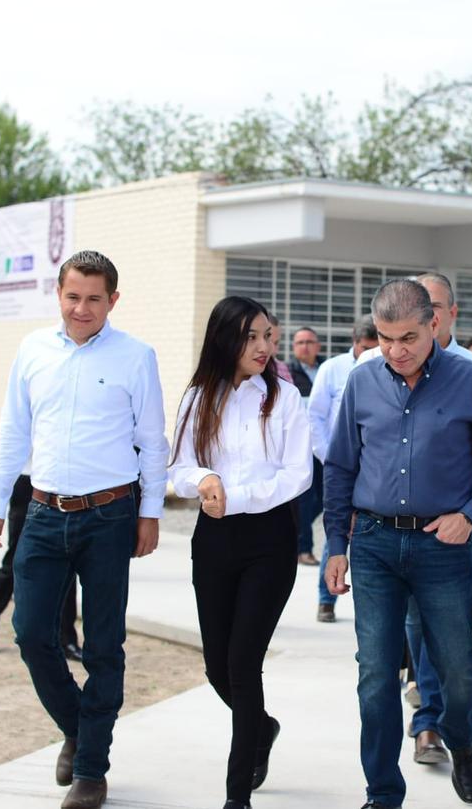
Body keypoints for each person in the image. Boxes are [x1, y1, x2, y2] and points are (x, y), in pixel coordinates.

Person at [324, 278, 472, 809]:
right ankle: (383, 792)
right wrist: (336, 545)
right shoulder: (362, 382)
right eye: (386, 338)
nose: (396, 351)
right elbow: (340, 466)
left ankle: (459, 735)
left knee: (457, 665)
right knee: (375, 674)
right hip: (373, 544)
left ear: (434, 323)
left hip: (443, 546)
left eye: (408, 337)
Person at [0, 250, 168, 809]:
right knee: (30, 633)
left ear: (113, 300)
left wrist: (150, 513)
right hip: (42, 513)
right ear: (58, 295)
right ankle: (79, 728)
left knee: (103, 646)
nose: (81, 308)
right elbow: (13, 429)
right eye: (72, 296)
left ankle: (91, 770)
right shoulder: (32, 350)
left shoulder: (136, 356)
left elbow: (152, 441)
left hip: (110, 516)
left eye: (93, 298)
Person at [170, 296, 312, 809]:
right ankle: (262, 727)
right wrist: (205, 479)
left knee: (243, 664)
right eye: (251, 336)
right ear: (225, 338)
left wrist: (240, 497)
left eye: (267, 335)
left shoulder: (285, 397)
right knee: (217, 667)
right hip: (213, 540)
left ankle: (236, 797)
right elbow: (177, 469)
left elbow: (298, 474)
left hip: (269, 541)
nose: (262, 346)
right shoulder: (198, 397)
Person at [308, 315, 379, 622]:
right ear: (354, 341)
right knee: (337, 528)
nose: (370, 354)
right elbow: (315, 418)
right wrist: (332, 460)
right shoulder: (332, 369)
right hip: (340, 466)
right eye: (365, 347)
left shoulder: (388, 368)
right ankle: (326, 600)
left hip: (375, 469)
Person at [0, 471, 82, 661]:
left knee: (68, 562)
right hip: (27, 482)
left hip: (61, 484)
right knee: (14, 560)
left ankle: (67, 638)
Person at [288, 326, 324, 566]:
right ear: (293, 347)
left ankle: (293, 533)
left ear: (317, 346)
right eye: (300, 343)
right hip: (301, 447)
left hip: (324, 445)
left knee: (324, 497)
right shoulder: (288, 373)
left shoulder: (326, 369)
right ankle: (304, 549)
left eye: (309, 342)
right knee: (305, 498)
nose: (305, 347)